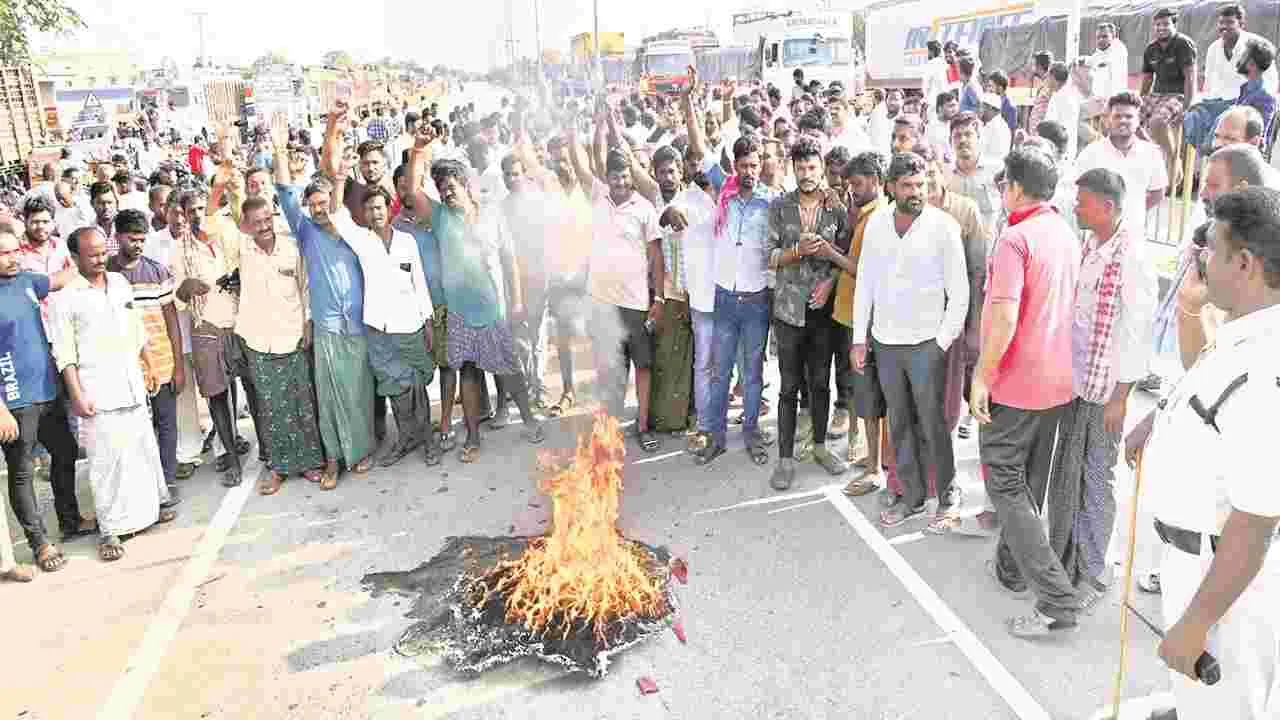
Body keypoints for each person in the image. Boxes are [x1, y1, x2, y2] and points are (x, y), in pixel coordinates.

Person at [1121, 187, 1280, 719]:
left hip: (1226, 587)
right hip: (1201, 566)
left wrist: (1194, 624)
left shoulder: (1264, 369)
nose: (1199, 260)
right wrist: (1162, 420)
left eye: (1210, 249)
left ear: (1244, 262)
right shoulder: (1244, 337)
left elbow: (1256, 520)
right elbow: (1207, 396)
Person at [970, 147, 1082, 637]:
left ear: (1014, 187)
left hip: (1018, 383)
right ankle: (1014, 569)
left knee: (1007, 486)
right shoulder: (1064, 232)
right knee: (1027, 481)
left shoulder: (1015, 239)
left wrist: (982, 376)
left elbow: (1004, 316)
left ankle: (1056, 598)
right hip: (1057, 380)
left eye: (1004, 185)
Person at [1047, 168, 1157, 609]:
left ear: (1108, 207)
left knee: (1096, 478)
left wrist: (1120, 397)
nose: (1076, 207)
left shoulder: (1132, 256)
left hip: (1107, 392)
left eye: (1084, 201)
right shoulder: (1092, 243)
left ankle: (1094, 573)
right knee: (1071, 473)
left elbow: (1136, 332)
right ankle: (1071, 558)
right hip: (1078, 381)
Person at [406, 122, 544, 464]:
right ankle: (472, 436)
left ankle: (528, 419)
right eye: (441, 188)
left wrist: (516, 303)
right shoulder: (439, 217)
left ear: (465, 185)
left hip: (492, 308)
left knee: (508, 369)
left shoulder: (492, 214)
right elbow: (411, 190)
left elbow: (509, 260)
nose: (446, 192)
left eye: (451, 186)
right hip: (459, 312)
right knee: (467, 372)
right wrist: (418, 149)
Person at [852, 152, 968, 530]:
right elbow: (865, 284)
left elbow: (960, 292)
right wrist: (859, 339)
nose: (916, 192)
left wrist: (942, 342)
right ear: (890, 187)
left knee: (934, 423)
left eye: (921, 185)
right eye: (908, 186)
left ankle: (948, 493)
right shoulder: (876, 226)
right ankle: (912, 497)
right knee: (899, 423)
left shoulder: (943, 226)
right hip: (886, 344)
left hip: (926, 346)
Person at [49, 227, 175, 563]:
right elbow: (65, 354)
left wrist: (149, 365)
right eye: (91, 255)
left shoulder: (119, 284)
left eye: (102, 252)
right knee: (106, 462)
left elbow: (137, 332)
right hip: (96, 391)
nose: (99, 259)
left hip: (131, 383)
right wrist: (76, 395)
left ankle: (148, 510)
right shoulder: (66, 298)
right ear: (74, 258)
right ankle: (110, 529)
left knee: (140, 449)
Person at [283, 102, 378, 487]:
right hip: (325, 325)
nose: (320, 209)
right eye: (314, 205)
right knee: (330, 393)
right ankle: (334, 459)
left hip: (356, 322)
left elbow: (334, 181)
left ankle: (359, 452)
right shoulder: (306, 232)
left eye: (324, 204)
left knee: (356, 391)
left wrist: (336, 133)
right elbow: (286, 195)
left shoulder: (346, 227)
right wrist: (282, 153)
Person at [687, 85, 777, 468]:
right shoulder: (721, 191)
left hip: (757, 301)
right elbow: (698, 147)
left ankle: (752, 432)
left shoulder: (773, 202)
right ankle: (716, 437)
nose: (748, 172)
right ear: (734, 166)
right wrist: (687, 101)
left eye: (754, 165)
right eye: (742, 165)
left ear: (761, 165)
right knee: (720, 372)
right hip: (725, 299)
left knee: (753, 374)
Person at [236, 129, 327, 493]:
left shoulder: (291, 247)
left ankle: (309, 462)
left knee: (302, 401)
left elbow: (305, 288)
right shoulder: (243, 249)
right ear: (246, 226)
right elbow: (226, 203)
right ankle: (277, 467)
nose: (263, 228)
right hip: (258, 340)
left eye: (267, 221)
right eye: (255, 223)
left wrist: (307, 324)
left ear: (274, 217)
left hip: (292, 335)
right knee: (271, 409)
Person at [765, 138, 851, 490]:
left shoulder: (836, 208)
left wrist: (829, 282)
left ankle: (819, 447)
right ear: (792, 169)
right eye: (800, 168)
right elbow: (769, 256)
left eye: (812, 167)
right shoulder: (779, 207)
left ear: (821, 168)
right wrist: (796, 251)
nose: (806, 174)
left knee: (820, 382)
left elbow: (844, 256)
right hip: (788, 310)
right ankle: (785, 459)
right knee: (788, 386)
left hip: (822, 311)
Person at [0, 223, 83, 577]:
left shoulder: (27, 282)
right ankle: (39, 543)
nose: (12, 257)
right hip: (15, 400)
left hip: (49, 391)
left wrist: (83, 253)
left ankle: (71, 518)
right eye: (3, 253)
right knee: (22, 474)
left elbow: (61, 278)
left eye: (15, 249)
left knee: (65, 452)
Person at [171, 188, 255, 488]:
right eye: (190, 210)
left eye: (200, 209)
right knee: (217, 396)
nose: (196, 215)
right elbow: (177, 299)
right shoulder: (179, 250)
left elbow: (249, 267)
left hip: (238, 321)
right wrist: (186, 287)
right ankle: (231, 459)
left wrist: (237, 279)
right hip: (204, 325)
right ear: (182, 214)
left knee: (252, 388)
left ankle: (269, 453)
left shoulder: (227, 235)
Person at [106, 210, 186, 508]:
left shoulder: (157, 271)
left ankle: (168, 481)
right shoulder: (107, 275)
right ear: (118, 238)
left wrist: (178, 365)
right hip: (127, 366)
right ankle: (144, 484)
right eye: (132, 239)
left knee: (166, 423)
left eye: (142, 240)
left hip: (163, 361)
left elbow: (172, 322)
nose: (138, 245)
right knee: (138, 427)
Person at [833, 152, 889, 496]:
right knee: (861, 391)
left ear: (876, 181)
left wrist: (829, 254)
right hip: (855, 315)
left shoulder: (876, 219)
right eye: (850, 185)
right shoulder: (864, 215)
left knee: (869, 394)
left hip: (865, 319)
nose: (852, 191)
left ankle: (874, 467)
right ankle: (871, 458)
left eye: (857, 184)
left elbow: (860, 269)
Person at [1183, 4, 1278, 156]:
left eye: (1229, 22)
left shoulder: (1256, 47)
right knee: (1192, 114)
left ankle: (1213, 154)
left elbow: (1270, 83)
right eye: (1221, 23)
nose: (1223, 27)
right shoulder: (1213, 48)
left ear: (1241, 24)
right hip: (1222, 102)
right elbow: (1209, 84)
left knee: (1223, 121)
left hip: (1244, 109)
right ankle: (1205, 157)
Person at [1076, 92, 1168, 243]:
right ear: (1107, 120)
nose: (1123, 121)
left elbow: (1158, 192)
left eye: (1129, 116)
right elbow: (1075, 190)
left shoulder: (1151, 153)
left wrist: (1130, 211)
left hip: (1133, 236)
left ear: (1138, 121)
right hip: (1097, 237)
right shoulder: (1091, 153)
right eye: (1117, 116)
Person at [1141, 7, 1198, 191]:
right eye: (1157, 25)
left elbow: (1191, 77)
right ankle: (1155, 156)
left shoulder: (1183, 44)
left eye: (1165, 24)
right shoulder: (1151, 49)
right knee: (1129, 117)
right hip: (1157, 94)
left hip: (1178, 94)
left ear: (1174, 25)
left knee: (1157, 122)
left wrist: (1188, 106)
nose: (1161, 28)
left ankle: (1174, 160)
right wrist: (1138, 101)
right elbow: (1147, 79)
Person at [949, 112, 1002, 242]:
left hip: (988, 251)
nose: (962, 140)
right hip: (955, 250)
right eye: (957, 136)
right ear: (950, 141)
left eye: (968, 134)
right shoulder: (945, 175)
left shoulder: (997, 170)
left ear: (978, 137)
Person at [1235, 37, 1277, 139]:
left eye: (1244, 55)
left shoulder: (1265, 97)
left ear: (1252, 64)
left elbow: (1256, 134)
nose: (1240, 58)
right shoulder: (1245, 88)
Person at [1043, 62, 1083, 161]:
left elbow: (1051, 127)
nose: (1046, 80)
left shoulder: (1058, 97)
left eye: (1048, 77)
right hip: (1068, 150)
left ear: (1053, 77)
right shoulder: (1071, 95)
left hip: (1057, 151)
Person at [1086, 23, 1130, 113]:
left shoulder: (1119, 50)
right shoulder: (1097, 55)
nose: (1101, 40)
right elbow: (1092, 60)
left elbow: (1106, 59)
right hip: (1099, 104)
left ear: (1113, 37)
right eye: (1098, 37)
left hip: (1116, 103)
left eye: (1105, 36)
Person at [978, 93, 1011, 168]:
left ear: (989, 107)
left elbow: (997, 158)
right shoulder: (993, 124)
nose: (979, 110)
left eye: (981, 107)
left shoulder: (996, 126)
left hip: (991, 170)